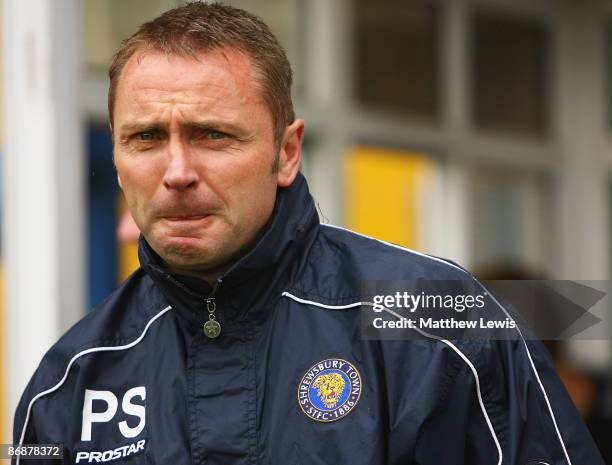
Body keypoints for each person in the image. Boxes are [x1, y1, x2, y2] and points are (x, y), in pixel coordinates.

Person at [12, 3, 604, 464]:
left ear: (286, 151)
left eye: (213, 135)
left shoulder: (442, 318)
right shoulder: (69, 378)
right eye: (144, 138)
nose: (177, 173)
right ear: (115, 157)